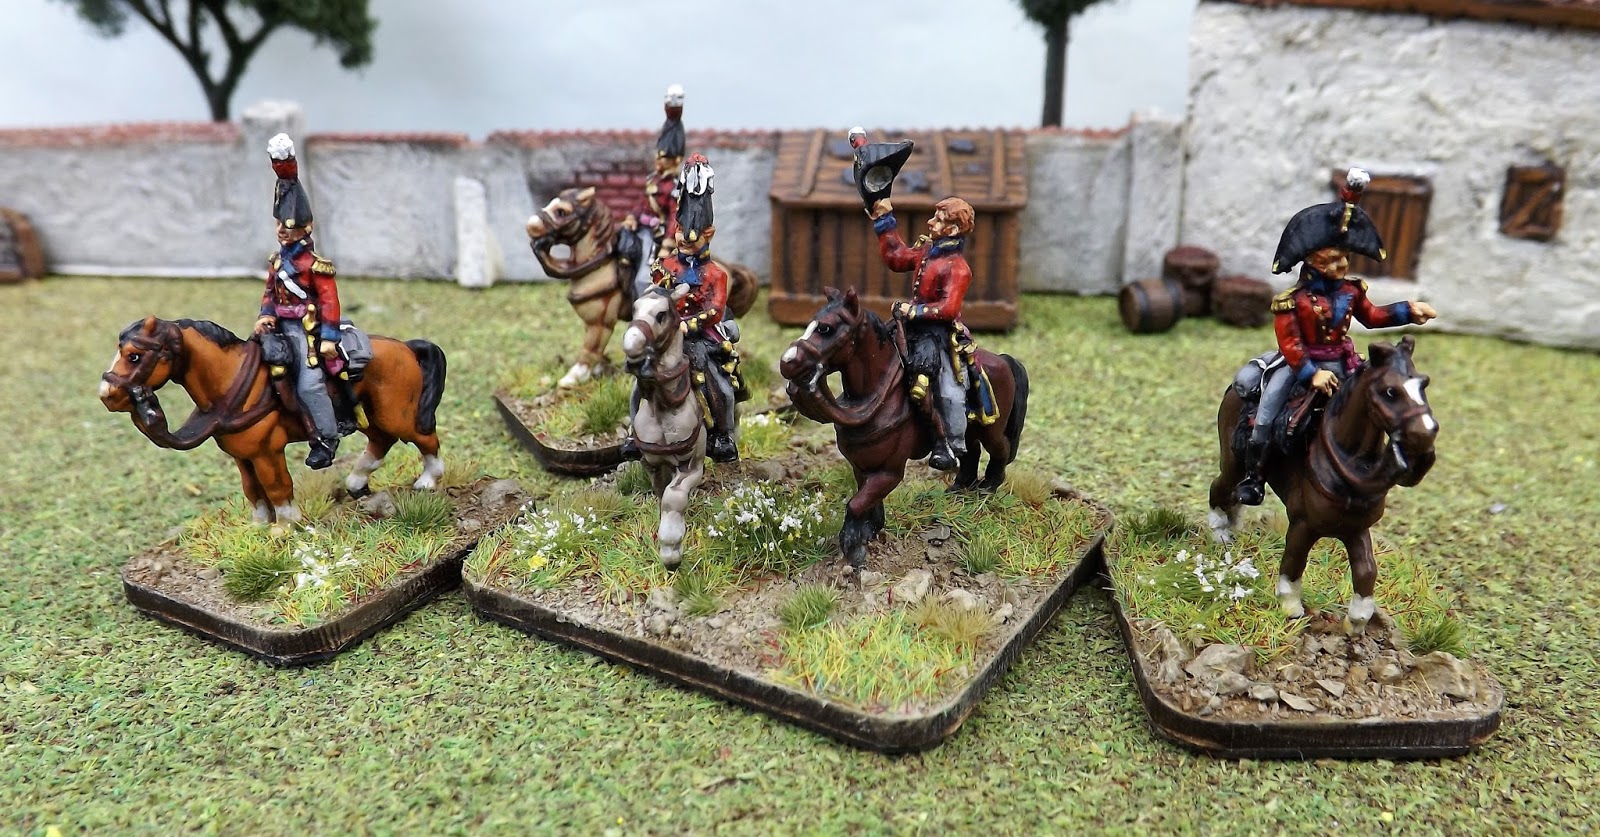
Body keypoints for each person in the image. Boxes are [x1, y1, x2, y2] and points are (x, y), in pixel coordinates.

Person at [1234, 167, 1438, 505]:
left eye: (1343, 258)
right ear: (1311, 261)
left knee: (1376, 403)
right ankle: (1254, 477)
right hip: (1300, 365)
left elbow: (1372, 317)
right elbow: (1291, 344)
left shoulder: (1351, 292)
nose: (1340, 265)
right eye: (1330, 259)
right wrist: (1312, 374)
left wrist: (1408, 311)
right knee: (1267, 414)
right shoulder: (1292, 301)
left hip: (1344, 362)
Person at [628, 153, 746, 463]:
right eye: (679, 231)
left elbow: (715, 311)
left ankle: (722, 435)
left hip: (699, 334)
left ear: (708, 235)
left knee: (717, 383)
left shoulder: (716, 274)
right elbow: (656, 295)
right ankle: (633, 432)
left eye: (690, 237)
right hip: (666, 331)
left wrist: (687, 325)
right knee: (641, 379)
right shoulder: (664, 265)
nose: (682, 239)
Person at [253, 133, 344, 470]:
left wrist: (329, 339)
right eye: (279, 224)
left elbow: (329, 302)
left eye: (288, 226)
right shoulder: (277, 262)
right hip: (279, 327)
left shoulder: (314, 265)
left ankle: (326, 438)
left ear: (306, 228)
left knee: (309, 385)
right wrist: (265, 314)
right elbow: (269, 293)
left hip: (308, 332)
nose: (281, 231)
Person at [867, 195, 976, 472]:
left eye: (939, 219)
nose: (930, 222)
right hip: (909, 324)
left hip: (937, 332)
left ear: (953, 230)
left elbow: (948, 309)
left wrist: (913, 311)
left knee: (948, 391)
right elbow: (896, 257)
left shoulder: (958, 268)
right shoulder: (927, 251)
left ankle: (948, 443)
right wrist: (884, 218)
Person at [620, 84, 686, 269]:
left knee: (644, 272)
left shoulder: (674, 187)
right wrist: (632, 217)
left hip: (658, 233)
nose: (658, 159)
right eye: (658, 155)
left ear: (675, 160)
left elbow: (675, 217)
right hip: (641, 227)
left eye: (663, 156)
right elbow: (642, 203)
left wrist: (667, 245)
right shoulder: (652, 179)